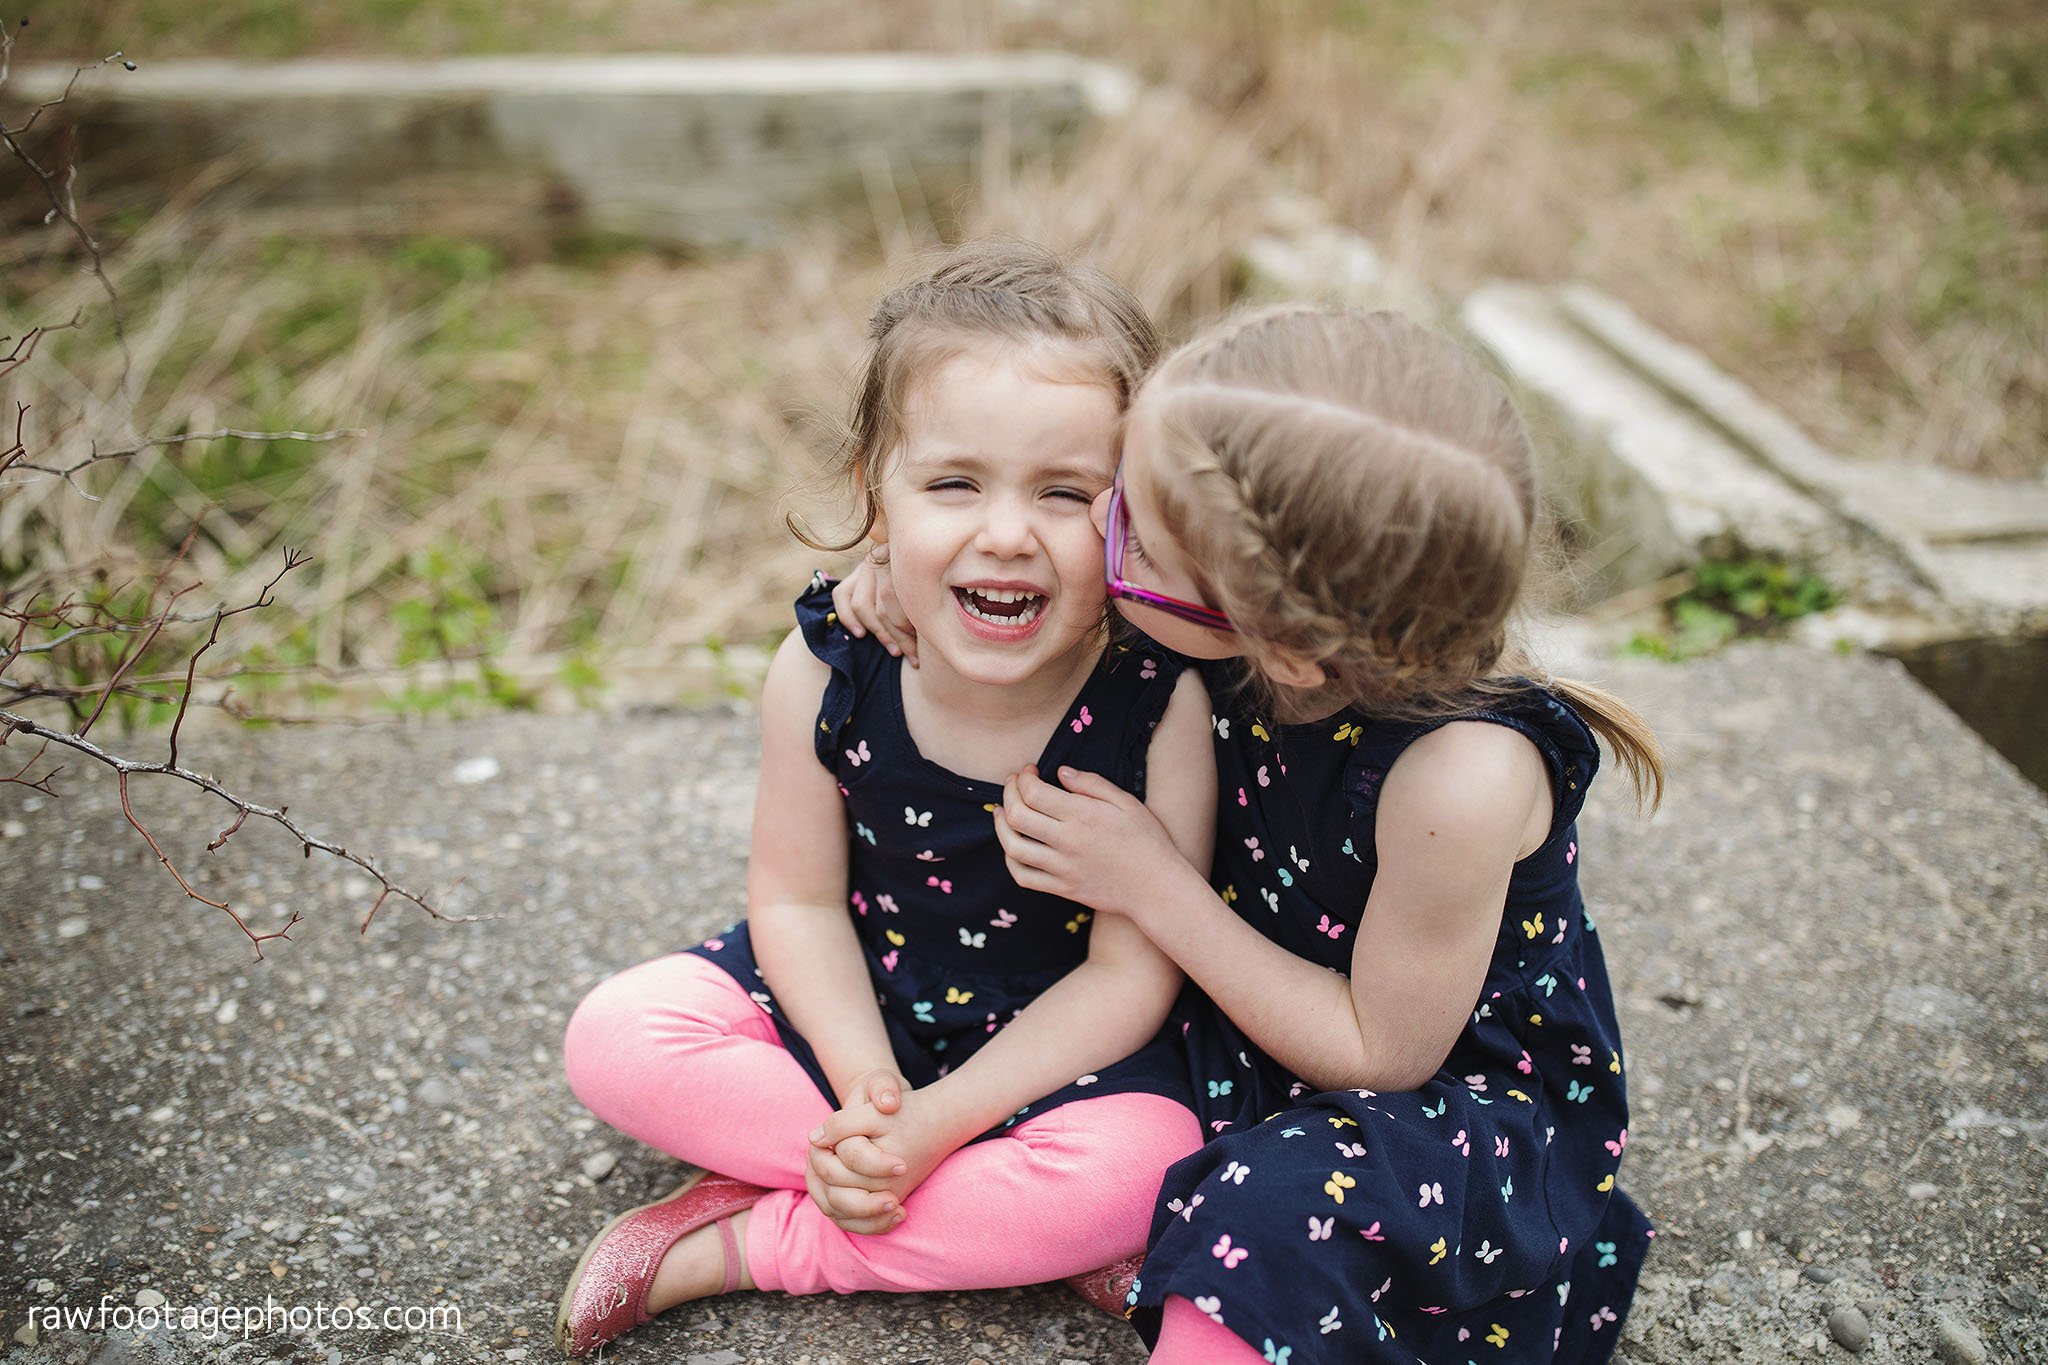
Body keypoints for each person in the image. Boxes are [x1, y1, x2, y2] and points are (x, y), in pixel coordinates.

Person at [834, 306, 1663, 1364]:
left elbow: (1382, 1054)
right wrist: (893, 579)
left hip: (1427, 1107)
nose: (1090, 535)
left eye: (1124, 530)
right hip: (1228, 1023)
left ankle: (791, 1240)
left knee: (1259, 1223)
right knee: (1002, 1034)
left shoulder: (1457, 777)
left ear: (1279, 642)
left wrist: (1152, 885)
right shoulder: (1244, 600)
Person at [554, 241, 1213, 1359]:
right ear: (878, 494)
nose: (1005, 531)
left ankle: (744, 1241)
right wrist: (871, 1098)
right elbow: (798, 905)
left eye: (1065, 494)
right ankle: (946, 1199)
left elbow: (1127, 977)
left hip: (1057, 1059)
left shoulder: (1158, 701)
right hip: (850, 1009)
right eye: (953, 483)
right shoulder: (825, 667)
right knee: (616, 1036)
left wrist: (934, 1124)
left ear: (1130, 517)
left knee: (1147, 1162)